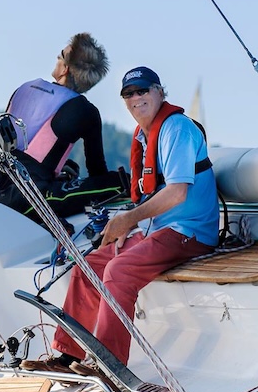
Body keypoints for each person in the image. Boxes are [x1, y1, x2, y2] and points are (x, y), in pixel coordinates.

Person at [23, 66, 219, 373]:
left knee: (119, 270)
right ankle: (68, 356)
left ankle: (109, 365)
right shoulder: (144, 135)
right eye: (129, 94)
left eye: (143, 90)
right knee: (89, 267)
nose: (136, 98)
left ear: (159, 92)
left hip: (189, 231)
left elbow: (177, 192)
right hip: (157, 229)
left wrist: (127, 220)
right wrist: (128, 222)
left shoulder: (176, 128)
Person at [0, 32, 122, 219]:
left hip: (1, 192)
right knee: (116, 182)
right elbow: (97, 173)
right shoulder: (85, 110)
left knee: (68, 168)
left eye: (60, 55)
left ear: (65, 69)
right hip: (34, 199)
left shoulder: (25, 87)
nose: (56, 57)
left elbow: (22, 153)